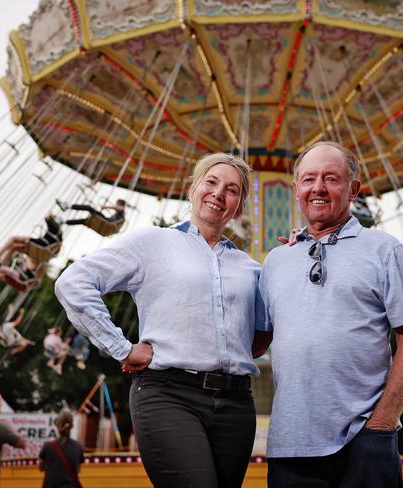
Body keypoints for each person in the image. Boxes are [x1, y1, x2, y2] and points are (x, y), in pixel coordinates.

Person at [55, 153, 270, 488]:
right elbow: (73, 283)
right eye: (210, 182)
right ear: (193, 189)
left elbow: (259, 334)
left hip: (236, 403)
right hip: (170, 394)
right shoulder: (153, 242)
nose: (218, 193)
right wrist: (121, 348)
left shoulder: (250, 268)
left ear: (239, 206)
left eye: (232, 190)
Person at [259, 141, 403, 487]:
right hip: (290, 447)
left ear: (353, 189)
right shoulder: (276, 260)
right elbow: (256, 341)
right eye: (308, 179)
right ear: (296, 190)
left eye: (331, 179)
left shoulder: (384, 250)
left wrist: (382, 423)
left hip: (363, 440)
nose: (317, 188)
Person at [39, 408, 84, 488]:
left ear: (57, 424)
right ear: (72, 426)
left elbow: (41, 468)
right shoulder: (78, 447)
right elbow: (78, 470)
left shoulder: (47, 446)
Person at [56, 198, 126, 226]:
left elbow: (120, 208)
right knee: (85, 221)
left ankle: (68, 206)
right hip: (106, 222)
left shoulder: (122, 212)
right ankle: (64, 222)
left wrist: (106, 206)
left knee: (89, 208)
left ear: (119, 204)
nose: (115, 205)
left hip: (107, 221)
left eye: (116, 203)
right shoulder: (119, 214)